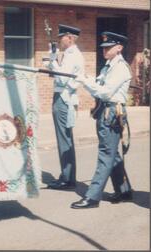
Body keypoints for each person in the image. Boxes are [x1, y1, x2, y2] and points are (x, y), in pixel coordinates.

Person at [71, 31, 133, 209]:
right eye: (103, 47)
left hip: (112, 112)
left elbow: (104, 92)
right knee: (112, 153)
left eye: (108, 47)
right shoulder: (108, 66)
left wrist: (85, 81)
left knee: (106, 154)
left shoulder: (120, 67)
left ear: (119, 48)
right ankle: (124, 190)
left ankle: (92, 197)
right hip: (105, 111)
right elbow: (97, 89)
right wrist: (86, 82)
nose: (104, 50)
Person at [46, 24, 85, 190]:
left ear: (70, 37)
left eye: (61, 37)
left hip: (64, 98)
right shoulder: (69, 54)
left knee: (64, 139)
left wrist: (53, 60)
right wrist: (53, 57)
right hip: (62, 96)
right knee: (64, 138)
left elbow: (61, 78)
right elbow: (53, 73)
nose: (59, 40)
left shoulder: (73, 55)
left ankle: (68, 178)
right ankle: (67, 176)